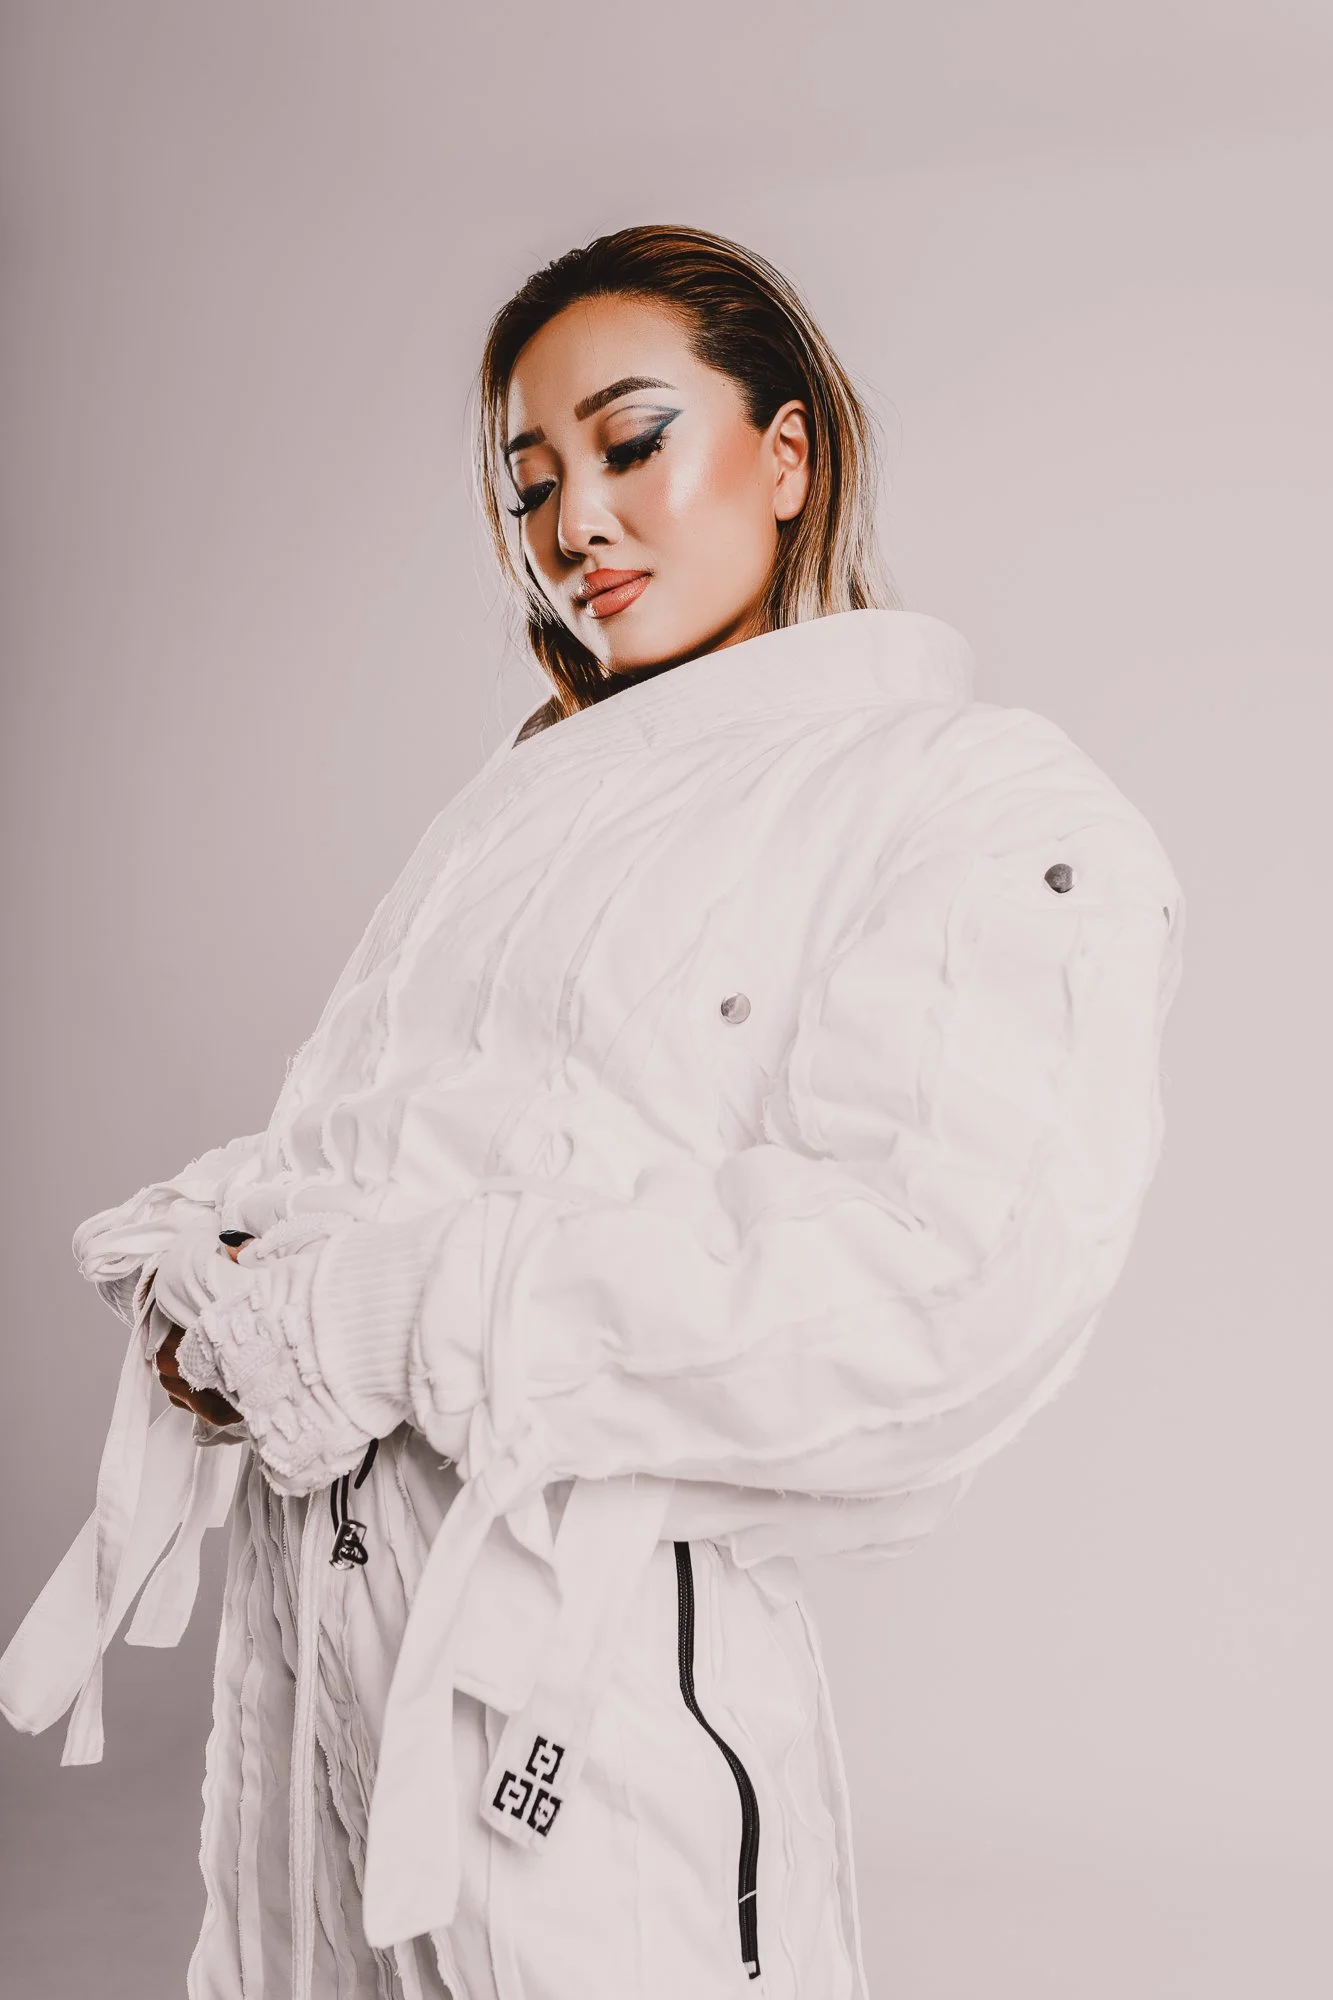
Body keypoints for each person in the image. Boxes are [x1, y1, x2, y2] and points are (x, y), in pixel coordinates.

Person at [0, 223, 1187, 2000]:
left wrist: (392, 1316)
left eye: (631, 445)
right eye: (532, 481)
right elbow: (389, 1153)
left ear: (787, 457)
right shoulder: (528, 799)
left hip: (579, 1673)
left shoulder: (962, 791)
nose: (576, 526)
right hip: (313, 1656)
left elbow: (940, 1285)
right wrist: (230, 1281)